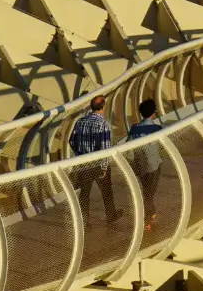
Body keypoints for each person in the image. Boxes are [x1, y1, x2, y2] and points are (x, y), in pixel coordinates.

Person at [68, 94, 120, 223]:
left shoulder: (80, 122)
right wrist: (103, 167)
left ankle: (84, 222)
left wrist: (80, 154)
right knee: (107, 191)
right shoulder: (103, 124)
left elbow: (71, 141)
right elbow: (105, 147)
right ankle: (111, 215)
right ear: (103, 107)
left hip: (84, 163)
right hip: (98, 164)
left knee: (84, 194)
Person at [126, 97, 164, 228]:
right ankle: (147, 220)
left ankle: (151, 213)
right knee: (149, 193)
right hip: (155, 165)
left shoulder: (135, 128)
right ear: (154, 112)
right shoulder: (158, 128)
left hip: (141, 165)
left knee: (147, 192)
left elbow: (128, 147)